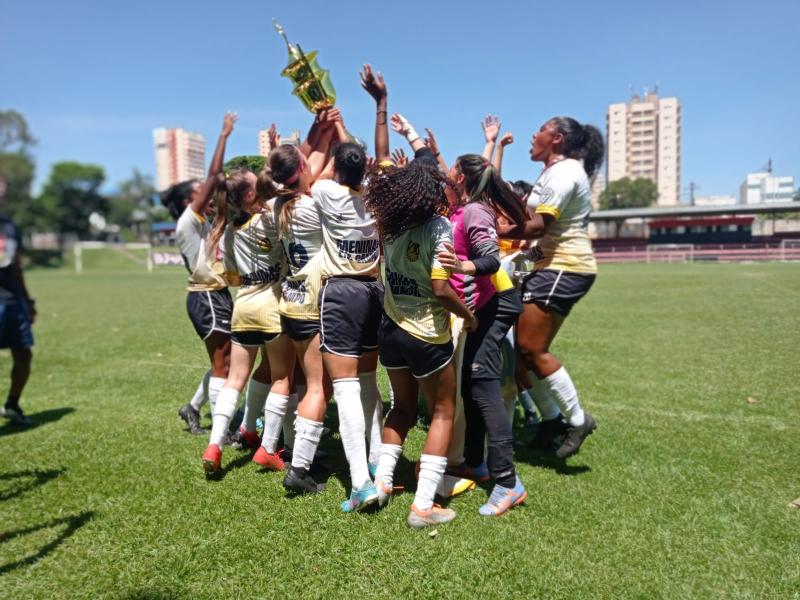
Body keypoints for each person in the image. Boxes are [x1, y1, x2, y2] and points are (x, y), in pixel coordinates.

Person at [366, 150, 477, 527]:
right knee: (443, 411)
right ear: (432, 193)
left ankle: (381, 484)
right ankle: (424, 505)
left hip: (391, 330)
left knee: (401, 408)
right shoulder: (439, 228)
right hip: (427, 333)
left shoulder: (391, 224)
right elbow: (442, 290)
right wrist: (469, 317)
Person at [496, 116, 603, 458]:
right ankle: (551, 422)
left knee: (530, 347)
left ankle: (576, 420)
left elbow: (540, 225)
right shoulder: (554, 172)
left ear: (556, 138)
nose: (533, 134)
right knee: (518, 356)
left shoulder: (565, 172)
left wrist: (495, 230)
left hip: (565, 267)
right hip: (549, 265)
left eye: (540, 128)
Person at [310, 65, 388, 512]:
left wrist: (327, 125)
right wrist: (372, 108)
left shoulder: (327, 194)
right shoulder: (377, 192)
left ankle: (359, 482)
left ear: (338, 168)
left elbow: (310, 176)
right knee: (368, 381)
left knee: (344, 390)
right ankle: (377, 460)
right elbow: (367, 158)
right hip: (375, 292)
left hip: (341, 293)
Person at [200, 168, 295, 474]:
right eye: (258, 184)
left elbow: (230, 276)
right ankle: (268, 448)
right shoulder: (268, 219)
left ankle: (215, 446)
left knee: (236, 378)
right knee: (283, 377)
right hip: (272, 305)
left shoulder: (227, 230)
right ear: (251, 195)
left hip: (243, 305)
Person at [161, 112, 249, 435]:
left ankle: (193, 407)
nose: (209, 194)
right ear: (190, 200)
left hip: (218, 294)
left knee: (224, 360)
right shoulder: (188, 221)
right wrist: (224, 135)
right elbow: (214, 175)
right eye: (202, 192)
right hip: (205, 296)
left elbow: (221, 189)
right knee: (222, 364)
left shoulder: (208, 222)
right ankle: (220, 433)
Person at [265, 112, 337, 495]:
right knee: (316, 389)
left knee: (301, 385)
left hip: (289, 302)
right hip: (312, 304)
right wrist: (329, 131)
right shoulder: (312, 206)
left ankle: (299, 449)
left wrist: (318, 131)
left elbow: (309, 169)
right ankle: (300, 470)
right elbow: (321, 175)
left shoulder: (278, 204)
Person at [0, 208, 36, 426]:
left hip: (13, 301)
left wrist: (27, 299)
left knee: (24, 355)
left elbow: (16, 265)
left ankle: (12, 405)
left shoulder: (9, 225)